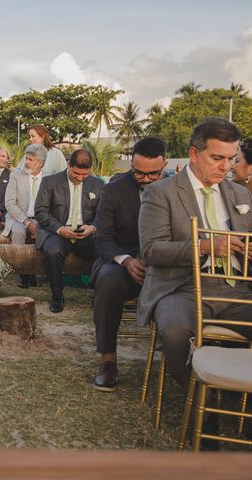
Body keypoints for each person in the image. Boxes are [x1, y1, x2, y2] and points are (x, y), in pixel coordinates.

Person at [138, 117, 252, 391]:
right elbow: (151, 250)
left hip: (238, 289)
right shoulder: (160, 192)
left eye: (231, 158)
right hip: (182, 287)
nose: (225, 167)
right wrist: (206, 246)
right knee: (175, 331)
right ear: (193, 153)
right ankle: (201, 405)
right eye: (216, 158)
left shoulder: (240, 194)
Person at [90, 137, 167, 392]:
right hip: (122, 262)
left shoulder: (176, 188)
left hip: (167, 265)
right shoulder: (113, 190)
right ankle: (108, 361)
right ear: (132, 164)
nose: (144, 179)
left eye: (152, 174)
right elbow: (103, 240)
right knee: (109, 281)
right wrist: (127, 261)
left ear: (164, 164)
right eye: (138, 172)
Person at [35, 149, 104, 313]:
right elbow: (40, 211)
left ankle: (99, 295)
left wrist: (92, 227)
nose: (80, 178)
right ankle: (57, 297)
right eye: (76, 173)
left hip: (86, 232)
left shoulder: (98, 184)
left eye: (85, 175)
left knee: (103, 250)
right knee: (52, 253)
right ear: (69, 165)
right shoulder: (49, 182)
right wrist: (59, 229)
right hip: (57, 231)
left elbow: (104, 213)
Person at [3, 143, 47, 288]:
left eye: (30, 160)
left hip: (41, 219)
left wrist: (38, 224)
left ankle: (37, 271)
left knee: (44, 234)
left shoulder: (48, 180)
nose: (26, 162)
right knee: (18, 232)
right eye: (26, 158)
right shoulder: (16, 175)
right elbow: (9, 203)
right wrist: (27, 222)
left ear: (41, 163)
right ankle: (23, 274)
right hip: (18, 217)